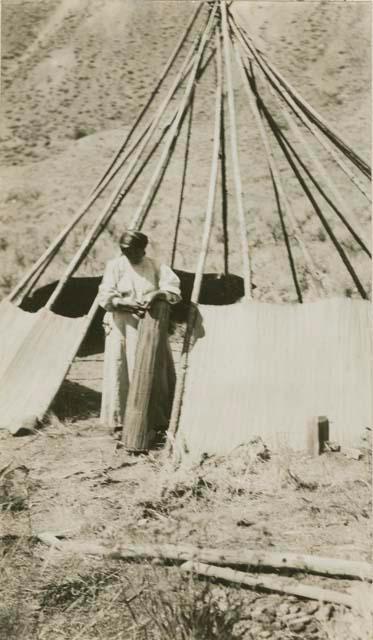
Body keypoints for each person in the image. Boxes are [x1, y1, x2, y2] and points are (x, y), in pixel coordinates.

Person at [98, 229, 181, 438]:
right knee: (121, 368)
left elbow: (174, 291)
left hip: (149, 326)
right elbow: (105, 295)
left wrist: (157, 294)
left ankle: (155, 420)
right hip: (122, 325)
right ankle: (121, 422)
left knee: (153, 369)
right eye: (124, 250)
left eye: (133, 251)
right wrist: (122, 303)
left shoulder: (155, 266)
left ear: (143, 249)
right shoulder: (115, 266)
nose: (128, 254)